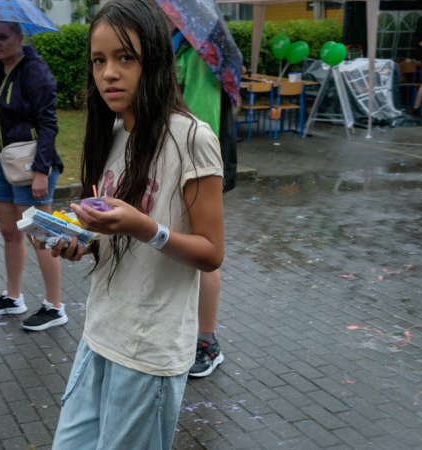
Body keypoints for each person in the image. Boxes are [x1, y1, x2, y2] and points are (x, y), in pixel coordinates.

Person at [50, 0, 224, 448]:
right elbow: (111, 234)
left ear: (155, 60)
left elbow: (211, 252)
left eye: (125, 58)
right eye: (99, 60)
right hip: (102, 331)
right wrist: (81, 240)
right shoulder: (110, 134)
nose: (109, 73)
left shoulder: (191, 138)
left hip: (150, 350)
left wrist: (144, 228)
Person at [0, 21, 67, 331]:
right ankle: (14, 296)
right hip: (0, 164)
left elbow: (48, 124)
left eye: (3, 37)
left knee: (42, 237)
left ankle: (55, 306)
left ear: (20, 38)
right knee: (10, 232)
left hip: (30, 165)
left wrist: (41, 172)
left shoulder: (34, 71)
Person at [171, 21, 239, 378]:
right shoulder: (174, 44)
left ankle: (207, 342)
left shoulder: (199, 50)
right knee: (179, 246)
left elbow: (200, 117)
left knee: (204, 253)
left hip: (195, 163)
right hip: (171, 157)